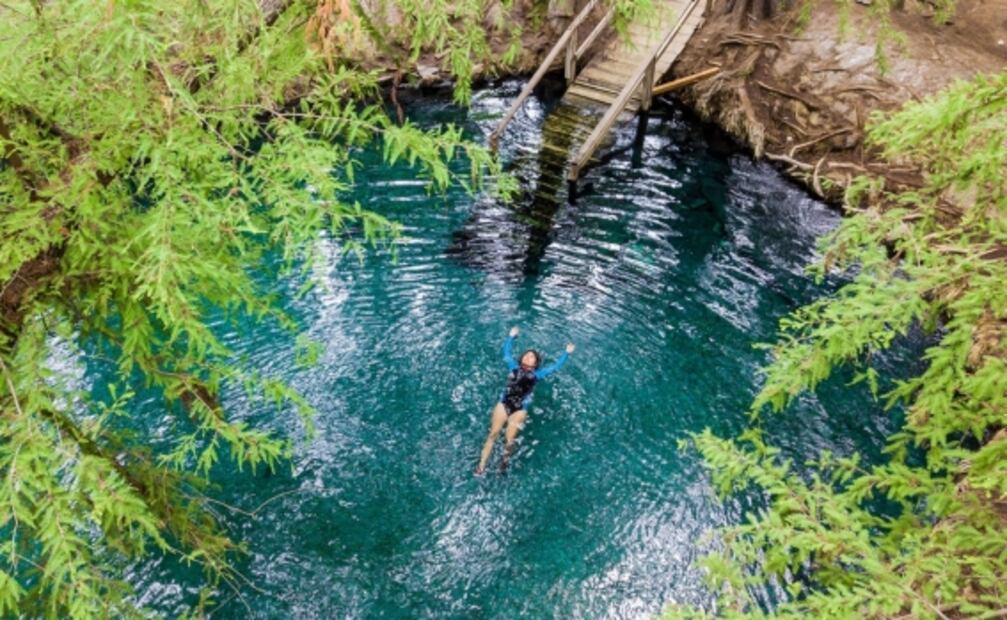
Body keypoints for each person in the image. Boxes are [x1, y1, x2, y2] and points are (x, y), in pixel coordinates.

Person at [475, 327, 575, 475]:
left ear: (536, 363)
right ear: (521, 358)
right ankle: (481, 465)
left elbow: (555, 367)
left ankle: (504, 462)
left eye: (532, 357)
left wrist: (566, 354)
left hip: (520, 408)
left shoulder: (538, 374)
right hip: (504, 403)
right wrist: (511, 337)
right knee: (493, 434)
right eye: (526, 355)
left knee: (509, 440)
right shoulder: (512, 366)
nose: (528, 357)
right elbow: (506, 352)